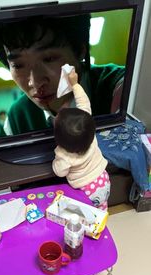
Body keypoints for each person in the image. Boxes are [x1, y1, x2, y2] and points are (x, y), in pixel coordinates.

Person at [0, 14, 125, 135]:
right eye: (18, 65)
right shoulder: (18, 118)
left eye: (49, 59)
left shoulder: (121, 87)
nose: (36, 82)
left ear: (80, 51)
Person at [52, 69, 110, 210]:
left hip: (85, 191)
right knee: (101, 207)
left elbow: (59, 172)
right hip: (103, 180)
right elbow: (84, 103)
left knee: (85, 215)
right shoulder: (90, 134)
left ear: (59, 141)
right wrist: (75, 84)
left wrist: (55, 160)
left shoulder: (64, 156)